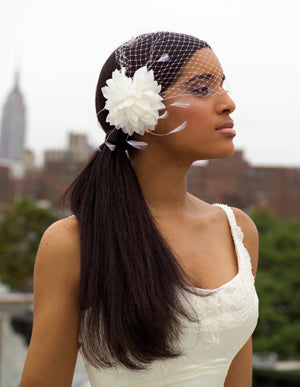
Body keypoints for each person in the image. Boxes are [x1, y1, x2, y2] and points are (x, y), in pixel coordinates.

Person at [20, 32, 259, 387]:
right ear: (148, 110)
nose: (228, 103)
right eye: (202, 88)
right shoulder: (73, 242)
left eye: (222, 86)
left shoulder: (237, 230)